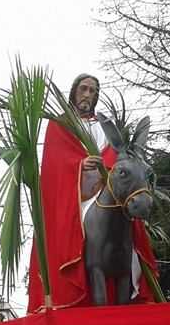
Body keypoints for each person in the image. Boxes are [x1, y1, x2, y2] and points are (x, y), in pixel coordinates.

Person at [26, 74, 159, 313]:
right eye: (84, 89)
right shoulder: (60, 124)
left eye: (93, 91)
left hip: (108, 192)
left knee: (130, 232)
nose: (88, 95)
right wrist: (79, 165)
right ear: (74, 91)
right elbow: (55, 165)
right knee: (76, 231)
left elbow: (117, 161)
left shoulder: (103, 125)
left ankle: (135, 283)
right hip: (76, 199)